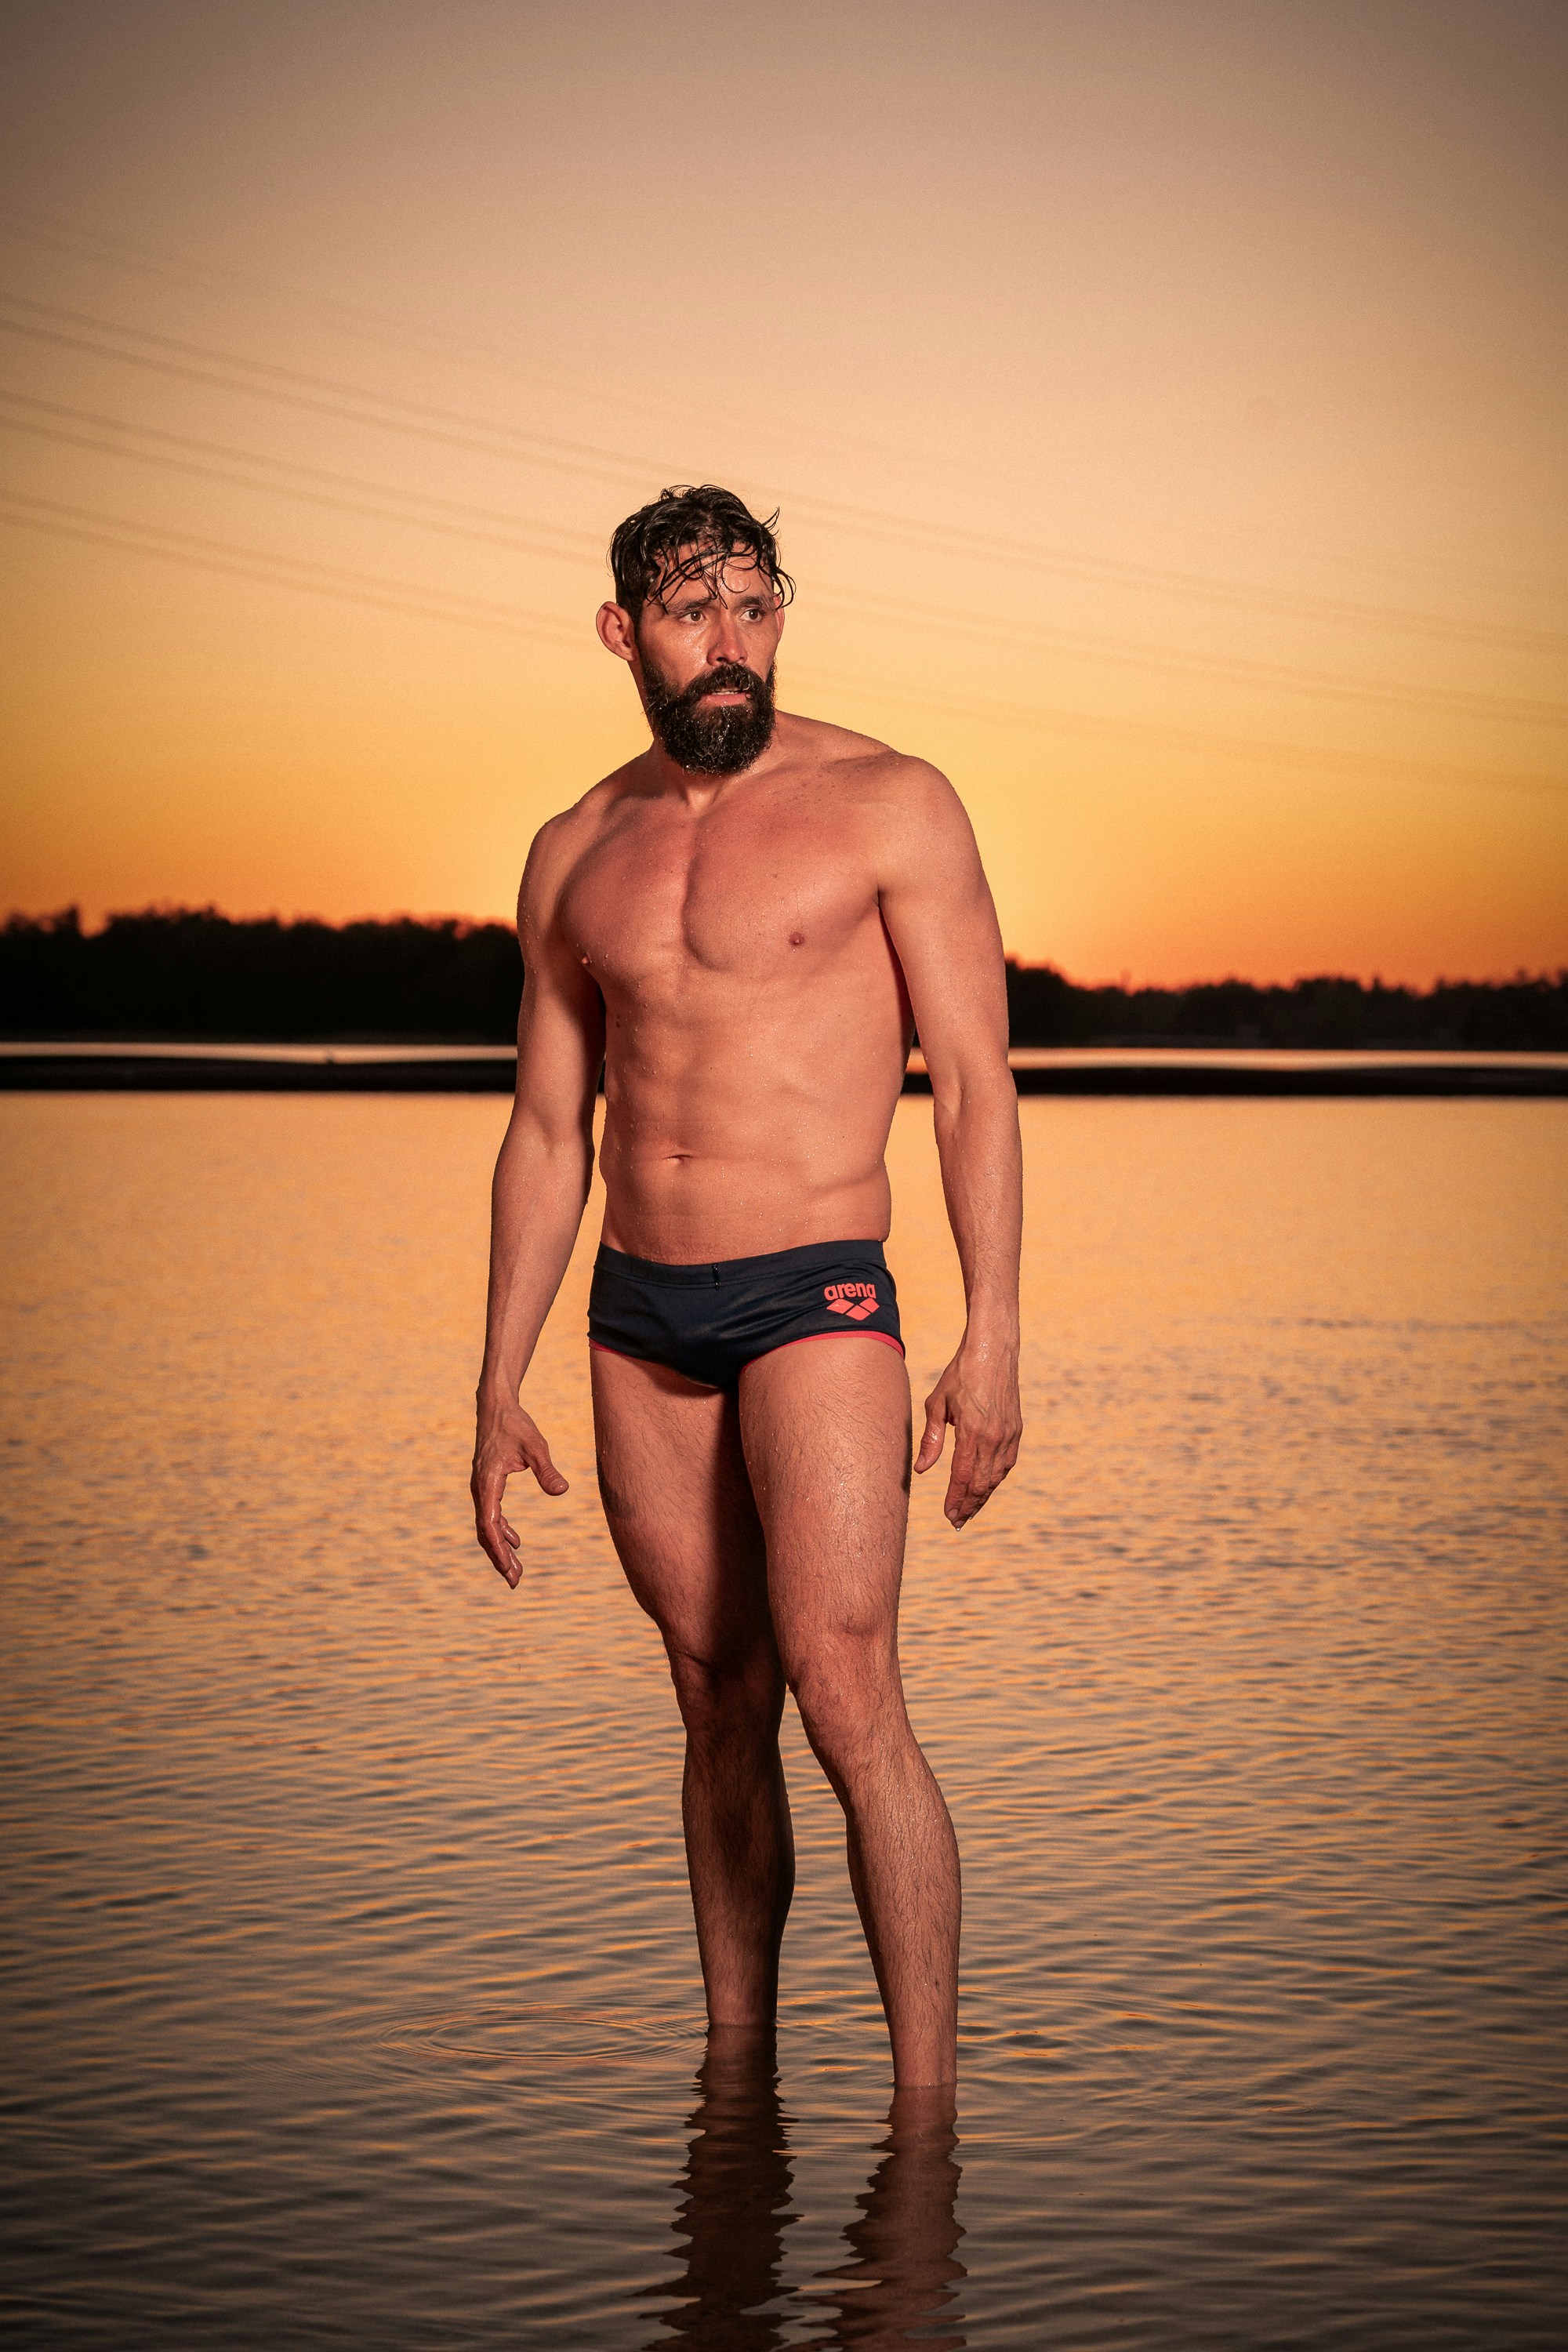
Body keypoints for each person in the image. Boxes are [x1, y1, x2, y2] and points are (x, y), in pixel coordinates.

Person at [471, 485, 1022, 2089]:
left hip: (818, 1296)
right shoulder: (574, 848)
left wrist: (991, 1338)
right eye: (690, 612)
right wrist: (494, 1380)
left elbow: (977, 1085)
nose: (730, 645)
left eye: (753, 607)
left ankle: (925, 2120)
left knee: (844, 1685)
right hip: (636, 1319)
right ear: (622, 632)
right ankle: (737, 2095)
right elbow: (543, 1124)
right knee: (716, 1700)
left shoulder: (889, 804)